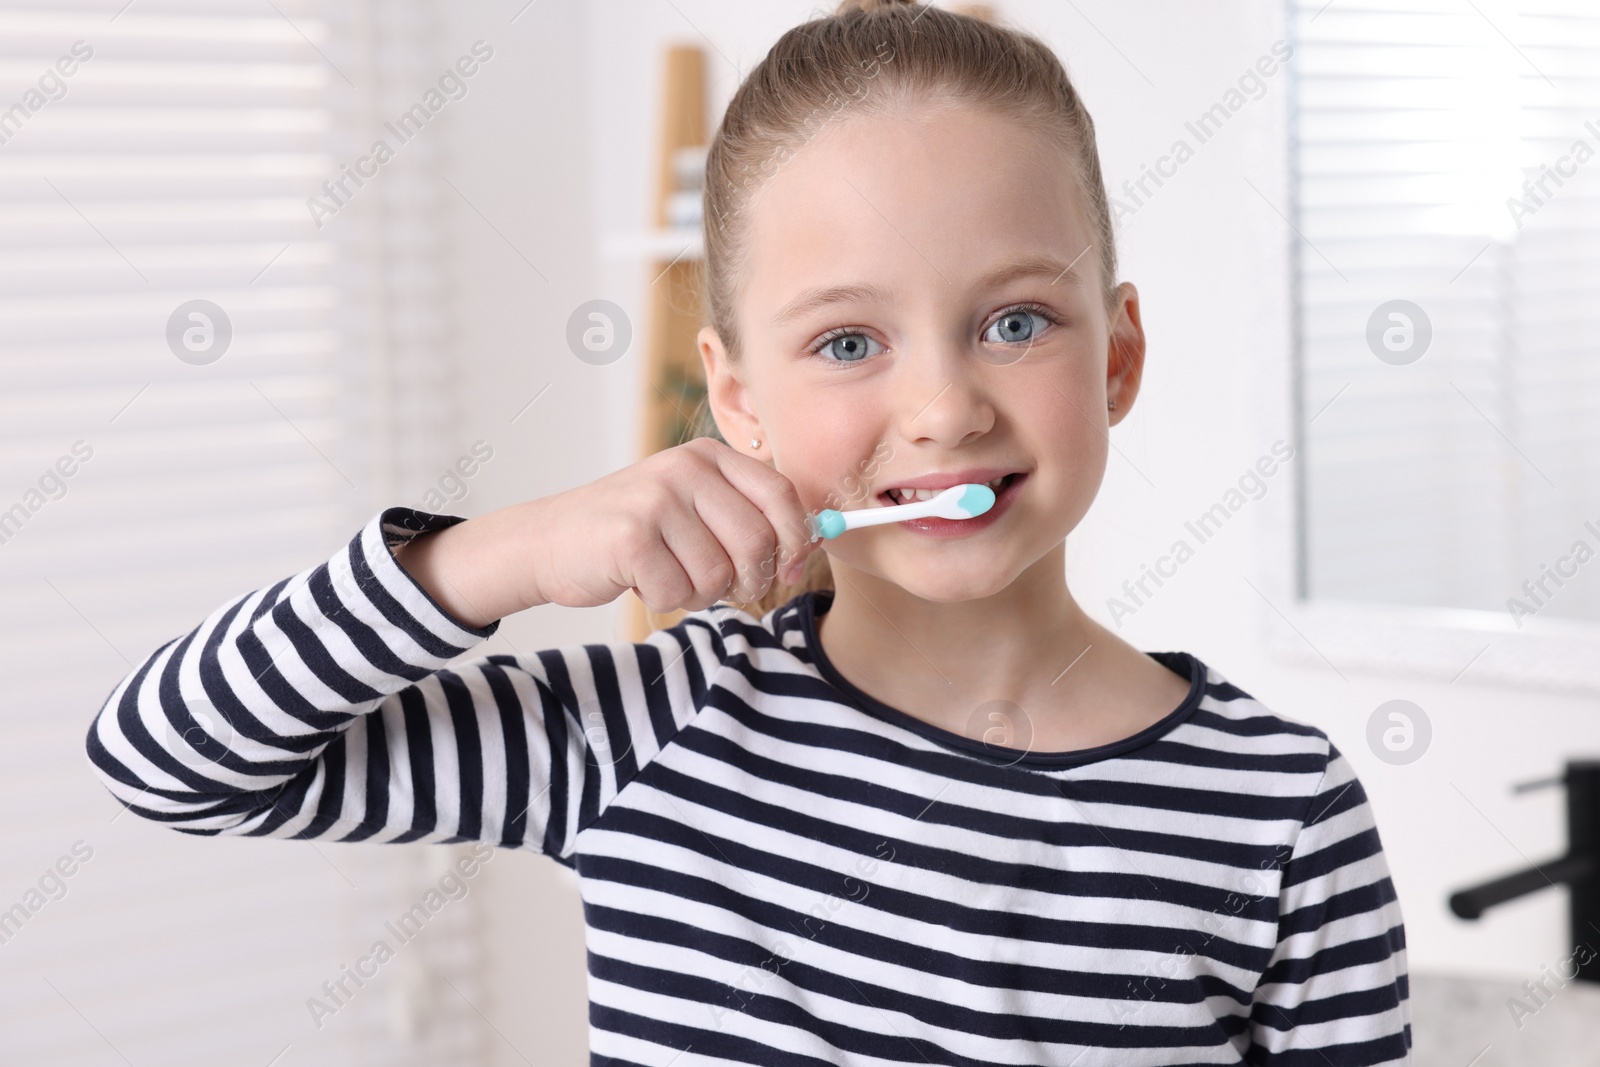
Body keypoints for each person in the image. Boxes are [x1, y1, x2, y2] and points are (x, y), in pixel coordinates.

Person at [85, 1, 1411, 1062]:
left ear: (1117, 354)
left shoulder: (1278, 813)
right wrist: (497, 556)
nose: (944, 408)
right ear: (739, 402)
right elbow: (169, 757)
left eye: (1017, 322)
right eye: (848, 342)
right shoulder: (641, 732)